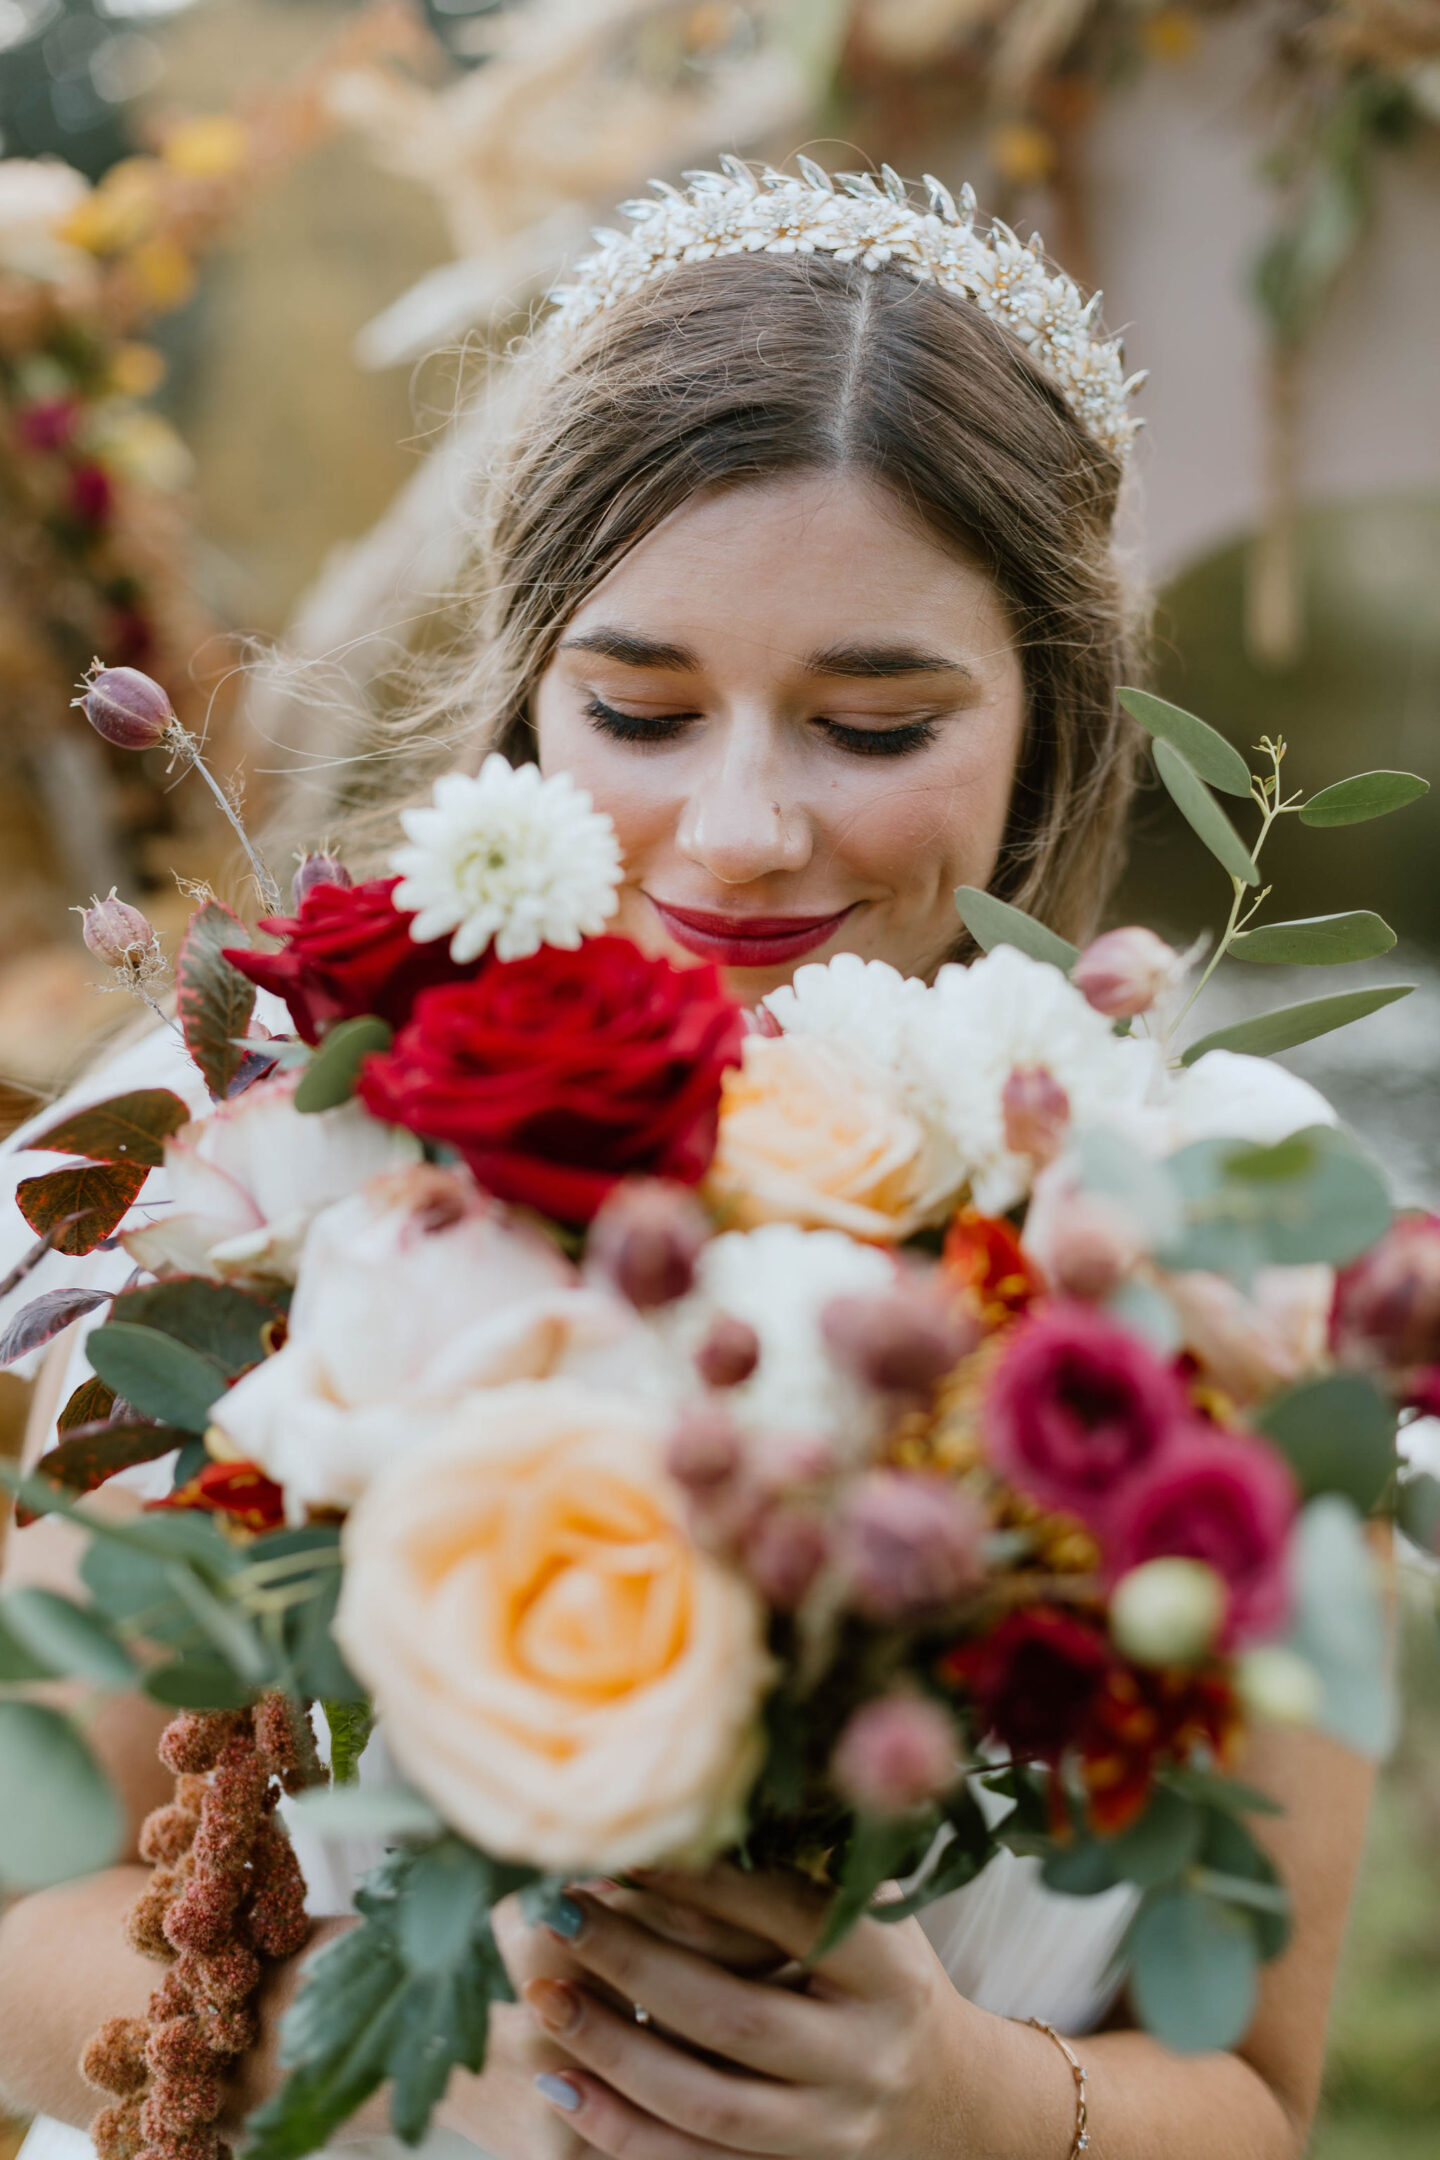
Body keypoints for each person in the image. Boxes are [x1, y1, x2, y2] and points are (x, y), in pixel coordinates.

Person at [0, 163, 1375, 2160]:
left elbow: (1258, 2085)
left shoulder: (1209, 1233)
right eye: (641, 707)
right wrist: (395, 2049)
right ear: (534, 685)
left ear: (1050, 720)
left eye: (874, 725)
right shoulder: (284, 1147)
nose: (737, 829)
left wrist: (965, 2105)